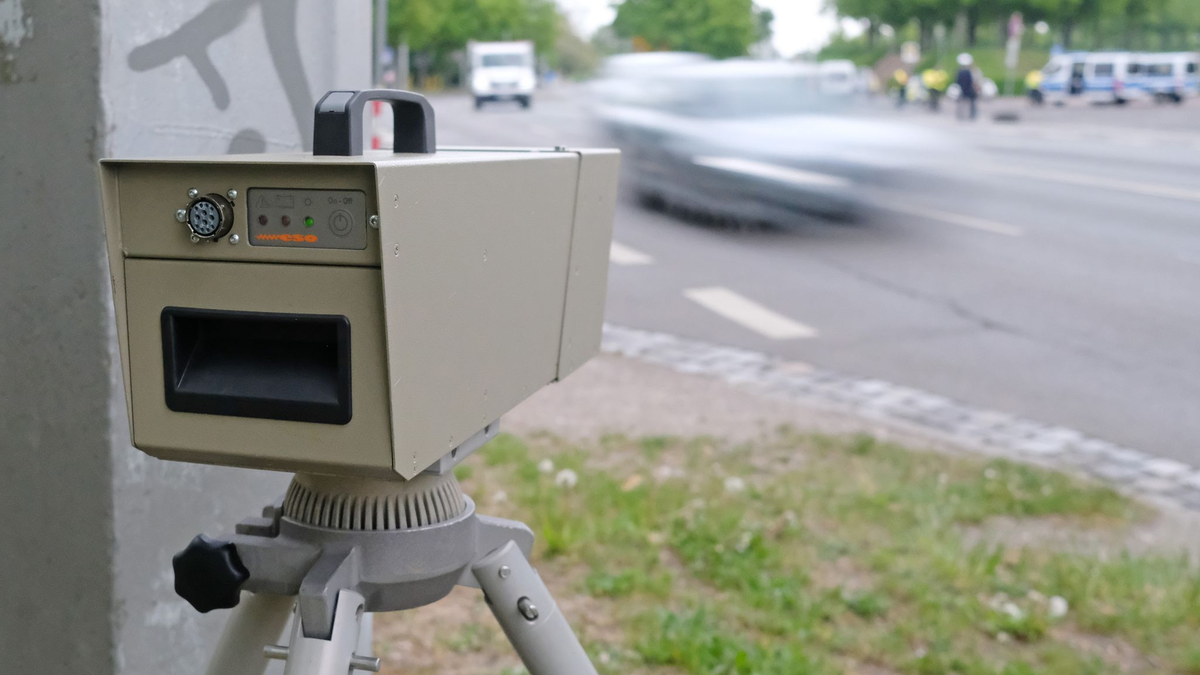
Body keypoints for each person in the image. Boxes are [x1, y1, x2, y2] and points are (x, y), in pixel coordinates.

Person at [955, 53, 979, 120]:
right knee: (973, 102)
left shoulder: (959, 71)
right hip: (969, 89)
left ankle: (960, 115)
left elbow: (957, 81)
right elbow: (972, 81)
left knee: (960, 102)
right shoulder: (970, 71)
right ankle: (972, 115)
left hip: (961, 89)